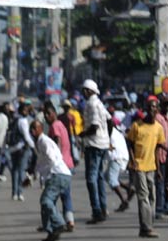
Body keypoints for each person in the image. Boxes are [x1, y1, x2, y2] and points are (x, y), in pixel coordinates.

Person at [125, 96, 168, 238]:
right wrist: (132, 160)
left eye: (154, 107)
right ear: (145, 109)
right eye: (149, 107)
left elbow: (157, 147)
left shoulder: (158, 128)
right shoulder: (137, 126)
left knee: (152, 197)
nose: (152, 110)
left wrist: (158, 167)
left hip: (151, 166)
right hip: (138, 165)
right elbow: (129, 143)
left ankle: (146, 226)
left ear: (157, 110)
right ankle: (147, 227)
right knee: (143, 195)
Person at [30, 120, 73, 241]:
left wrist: (47, 174)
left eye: (35, 128)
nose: (32, 131)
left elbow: (51, 159)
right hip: (58, 174)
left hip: (57, 174)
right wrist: (33, 176)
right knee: (47, 205)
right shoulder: (40, 142)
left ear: (41, 129)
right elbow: (40, 162)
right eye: (31, 129)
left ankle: (59, 224)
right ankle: (51, 232)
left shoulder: (44, 141)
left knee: (46, 201)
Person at [79, 79, 111, 224]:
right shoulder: (99, 103)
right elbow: (110, 121)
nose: (83, 93)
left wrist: (83, 134)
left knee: (91, 179)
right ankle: (103, 208)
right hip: (102, 144)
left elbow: (95, 126)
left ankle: (97, 211)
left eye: (84, 90)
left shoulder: (92, 104)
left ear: (88, 91)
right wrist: (107, 138)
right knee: (98, 178)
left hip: (94, 144)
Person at [43, 102, 75, 231]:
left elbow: (57, 142)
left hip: (61, 166)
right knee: (65, 195)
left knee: (51, 196)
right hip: (68, 164)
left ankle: (54, 222)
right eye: (45, 114)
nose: (46, 116)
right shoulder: (61, 124)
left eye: (48, 113)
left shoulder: (55, 126)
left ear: (54, 114)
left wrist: (55, 161)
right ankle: (69, 221)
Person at [7, 100, 35, 201]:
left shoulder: (14, 119)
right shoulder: (23, 121)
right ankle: (20, 192)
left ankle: (14, 192)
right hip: (22, 148)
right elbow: (27, 137)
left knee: (15, 171)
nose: (26, 111)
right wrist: (34, 147)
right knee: (21, 170)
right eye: (25, 110)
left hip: (13, 148)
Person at [107, 117, 132, 213]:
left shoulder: (112, 133)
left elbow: (111, 147)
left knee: (112, 180)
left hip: (117, 157)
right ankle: (127, 188)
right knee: (107, 176)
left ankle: (124, 200)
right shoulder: (116, 132)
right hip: (119, 157)